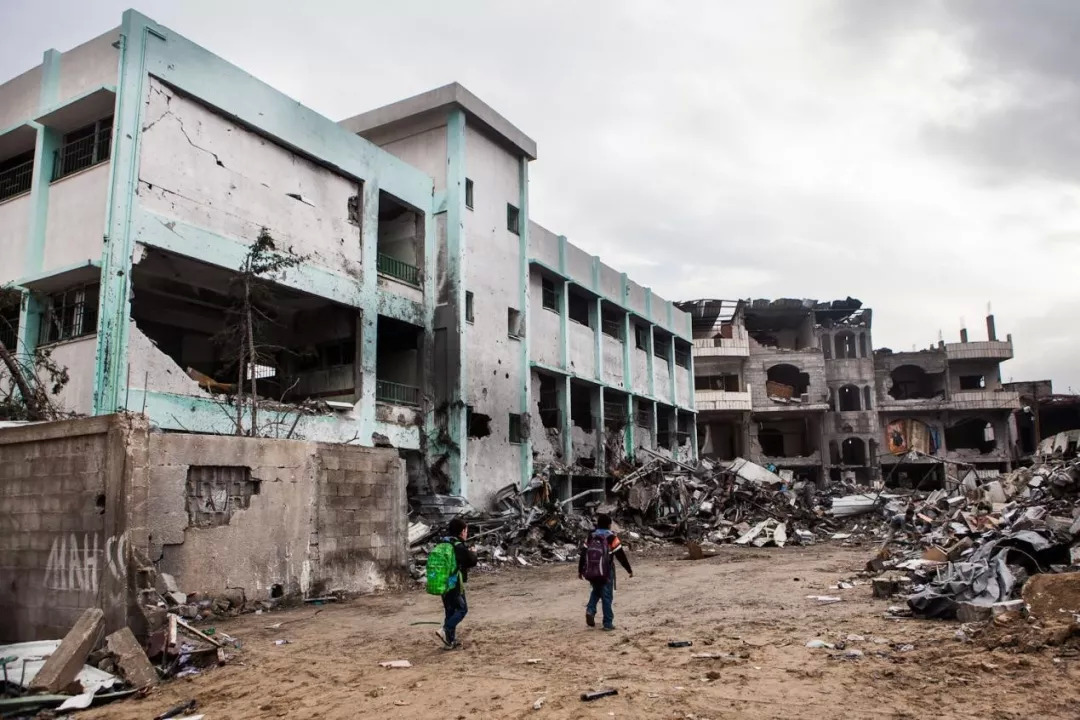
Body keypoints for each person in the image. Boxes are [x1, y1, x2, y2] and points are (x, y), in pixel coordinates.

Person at [578, 513, 632, 631]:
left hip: (592, 570)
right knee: (607, 596)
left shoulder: (591, 536)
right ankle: (607, 623)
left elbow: (583, 554)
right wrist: (629, 570)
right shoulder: (611, 537)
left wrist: (580, 570)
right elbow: (621, 556)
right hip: (606, 571)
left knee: (596, 591)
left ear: (598, 524)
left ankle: (590, 610)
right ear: (609, 525)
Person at [435, 517, 477, 650]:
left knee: (450, 610)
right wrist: (473, 553)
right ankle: (445, 629)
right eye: (466, 531)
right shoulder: (457, 546)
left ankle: (449, 641)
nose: (466, 534)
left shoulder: (443, 542)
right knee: (462, 609)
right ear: (462, 531)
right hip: (454, 583)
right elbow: (471, 561)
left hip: (442, 581)